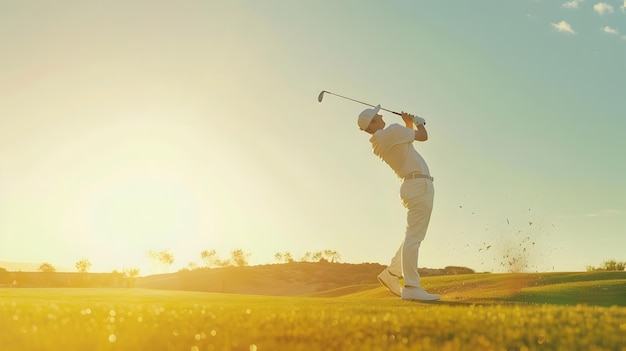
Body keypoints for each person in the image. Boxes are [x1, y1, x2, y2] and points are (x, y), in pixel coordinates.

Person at [357, 104, 440, 301]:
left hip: (412, 185)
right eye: (378, 115)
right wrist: (418, 123)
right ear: (374, 122)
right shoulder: (392, 131)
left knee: (413, 234)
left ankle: (392, 274)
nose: (381, 114)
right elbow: (422, 136)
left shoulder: (381, 140)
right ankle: (411, 286)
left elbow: (407, 139)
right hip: (418, 185)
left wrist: (408, 124)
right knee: (414, 237)